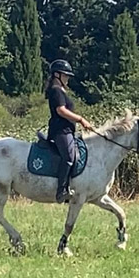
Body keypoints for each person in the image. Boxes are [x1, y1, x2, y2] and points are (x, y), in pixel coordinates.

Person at [45, 59, 93, 203]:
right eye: (65, 75)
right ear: (57, 75)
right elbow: (61, 110)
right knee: (68, 156)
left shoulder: (61, 90)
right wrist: (80, 119)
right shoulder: (56, 90)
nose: (67, 78)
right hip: (60, 131)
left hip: (67, 130)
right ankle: (61, 191)